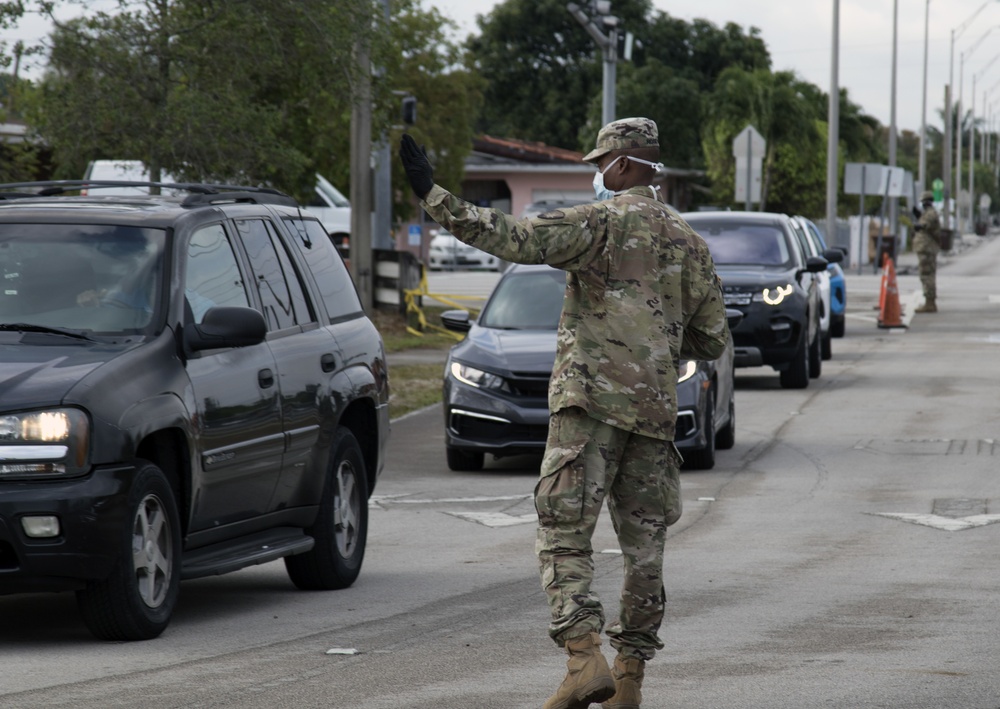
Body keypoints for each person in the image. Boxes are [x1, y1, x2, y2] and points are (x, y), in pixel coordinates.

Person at [400, 117, 729, 709]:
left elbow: (513, 237)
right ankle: (629, 677)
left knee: (563, 533)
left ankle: (583, 659)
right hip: (655, 414)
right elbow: (710, 340)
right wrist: (651, 341)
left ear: (624, 165)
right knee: (645, 549)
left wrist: (432, 194)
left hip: (589, 405)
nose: (595, 175)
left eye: (599, 164)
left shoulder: (599, 223)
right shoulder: (691, 242)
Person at [911, 190, 941, 313]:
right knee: (927, 274)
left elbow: (923, 226)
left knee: (926, 275)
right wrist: (919, 216)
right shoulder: (929, 213)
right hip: (927, 249)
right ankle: (930, 302)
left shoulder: (930, 214)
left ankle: (930, 303)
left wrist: (917, 224)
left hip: (927, 249)